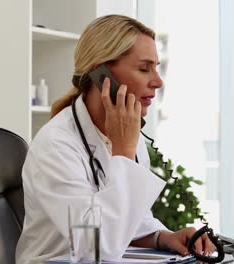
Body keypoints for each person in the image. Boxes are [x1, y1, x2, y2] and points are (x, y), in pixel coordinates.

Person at [16, 15, 215, 264]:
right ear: (101, 74)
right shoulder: (56, 145)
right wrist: (123, 151)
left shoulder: (127, 137)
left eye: (156, 67)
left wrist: (163, 237)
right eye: (144, 68)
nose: (158, 81)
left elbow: (128, 219)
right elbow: (95, 247)